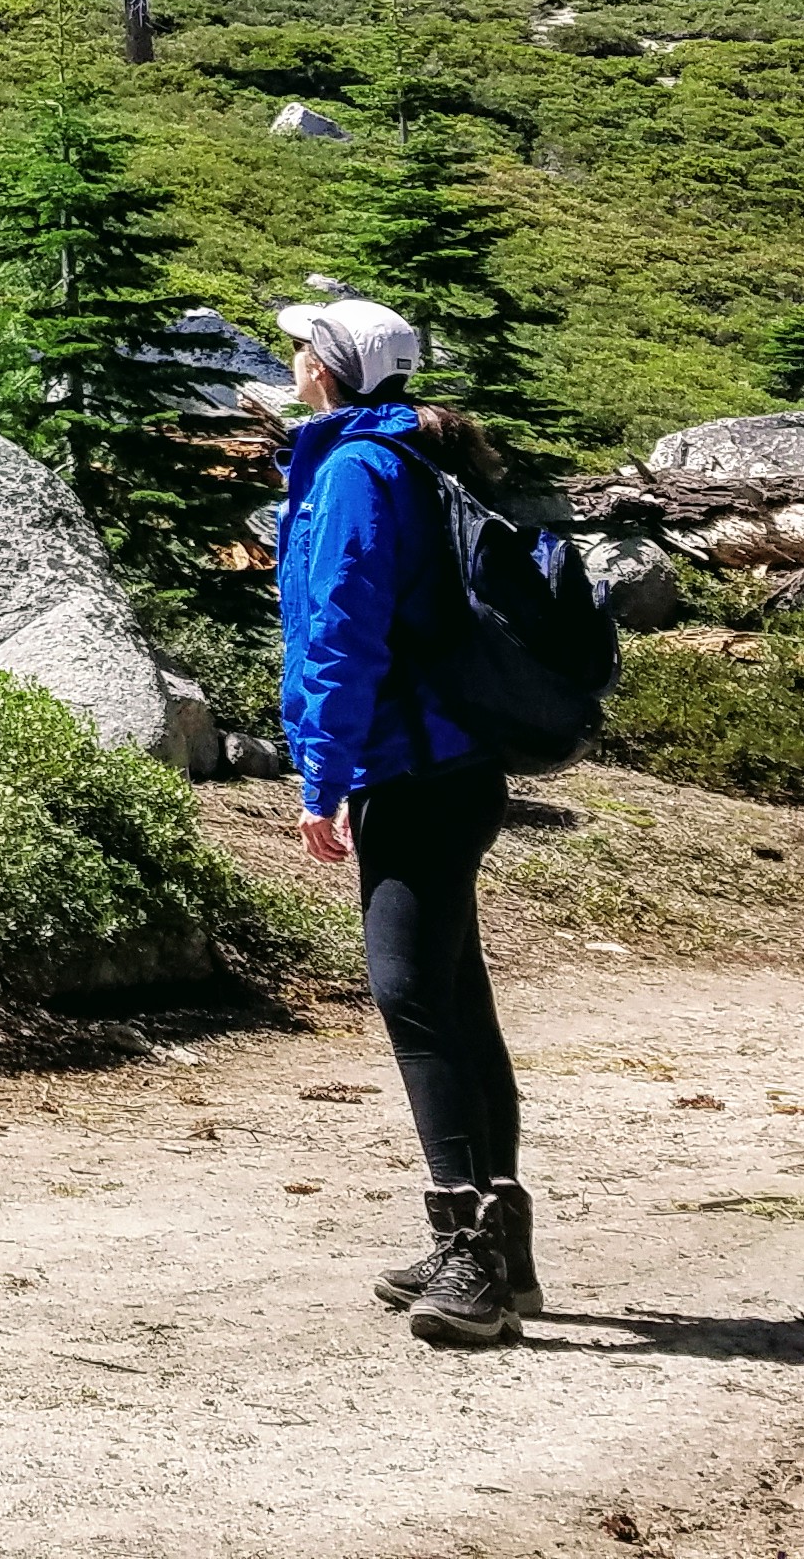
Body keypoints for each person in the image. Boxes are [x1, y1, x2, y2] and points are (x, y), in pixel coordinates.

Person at [274, 294, 536, 1349]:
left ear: (329, 369)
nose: (289, 355)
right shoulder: (409, 456)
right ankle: (498, 1242)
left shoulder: (352, 472)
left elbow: (342, 630)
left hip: (409, 770)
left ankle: (471, 1259)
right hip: (454, 763)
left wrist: (319, 777)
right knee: (454, 993)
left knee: (413, 992)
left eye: (302, 343)